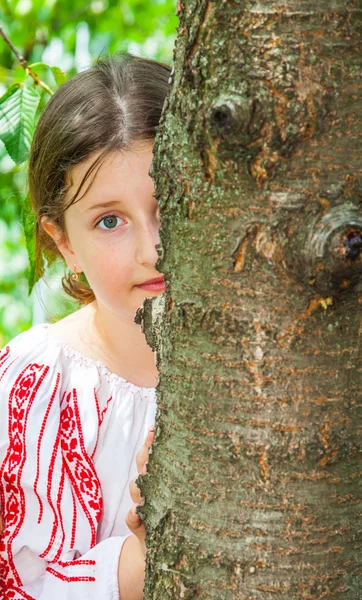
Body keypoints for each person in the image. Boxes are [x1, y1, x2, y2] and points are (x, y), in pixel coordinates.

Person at [0, 52, 171, 599]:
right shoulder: (36, 390)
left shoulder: (297, 367)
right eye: (110, 221)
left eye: (167, 202)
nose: (154, 248)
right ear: (64, 242)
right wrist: (135, 569)